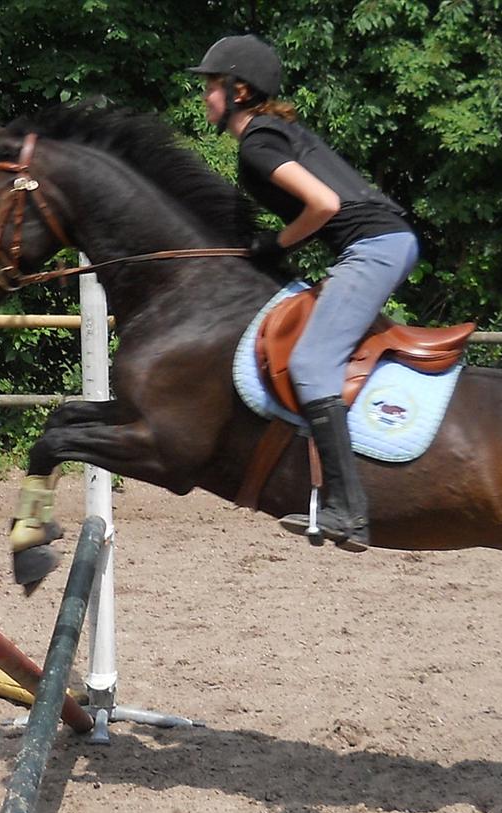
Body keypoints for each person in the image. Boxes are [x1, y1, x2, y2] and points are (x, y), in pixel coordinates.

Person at [189, 34, 419, 553]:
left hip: (376, 247)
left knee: (313, 364)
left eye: (210, 85)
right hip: (381, 242)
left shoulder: (258, 143)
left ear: (239, 91)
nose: (204, 95)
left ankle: (349, 511)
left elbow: (324, 204)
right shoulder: (278, 132)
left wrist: (274, 243)